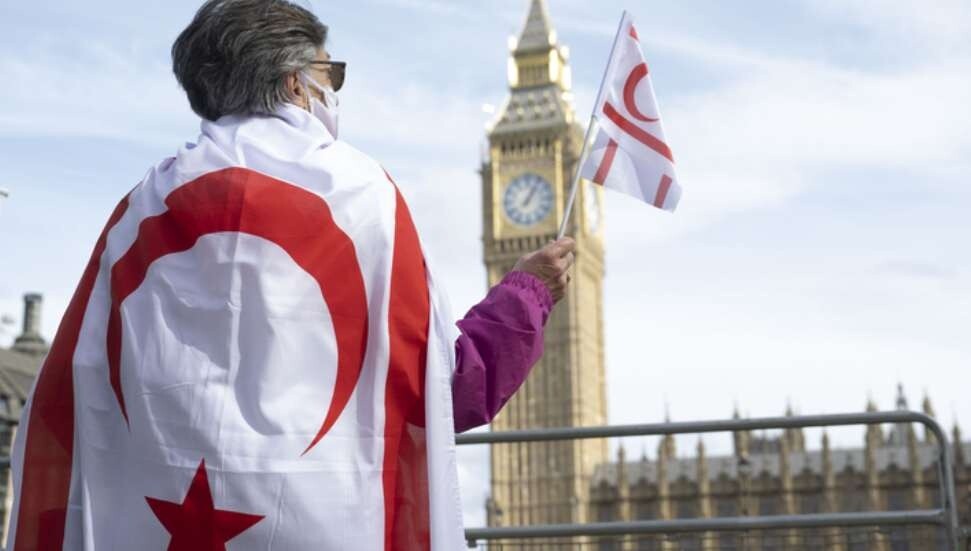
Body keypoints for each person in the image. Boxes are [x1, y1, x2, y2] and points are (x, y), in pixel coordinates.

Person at [7, 1, 574, 550]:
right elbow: (448, 388)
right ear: (297, 83)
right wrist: (528, 294)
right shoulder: (361, 198)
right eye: (334, 74)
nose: (334, 92)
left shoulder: (139, 211)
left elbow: (76, 392)